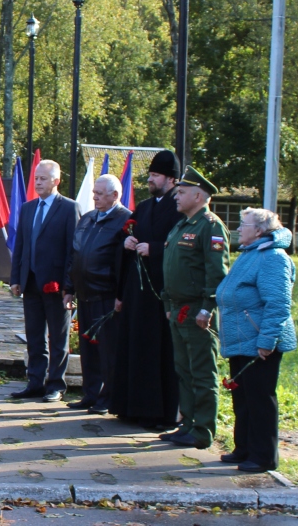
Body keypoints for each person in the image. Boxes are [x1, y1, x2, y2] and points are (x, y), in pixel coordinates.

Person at [216, 208, 296, 473]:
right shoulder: (251, 253)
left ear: (260, 230)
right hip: (242, 338)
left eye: (243, 224)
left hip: (259, 342)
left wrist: (267, 340)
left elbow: (278, 303)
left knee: (260, 399)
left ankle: (263, 457)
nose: (239, 228)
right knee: (242, 397)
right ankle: (244, 448)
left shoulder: (273, 258)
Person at [160, 166, 230, 449]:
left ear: (199, 196)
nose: (177, 196)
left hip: (197, 312)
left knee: (202, 371)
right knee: (184, 370)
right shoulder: (181, 225)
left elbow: (217, 273)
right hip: (178, 309)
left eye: (183, 192)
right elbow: (172, 268)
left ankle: (202, 430)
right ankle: (187, 423)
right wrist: (167, 303)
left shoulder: (210, 226)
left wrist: (208, 308)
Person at [110, 150, 181, 428]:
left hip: (160, 292)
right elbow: (128, 232)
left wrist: (155, 249)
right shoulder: (146, 206)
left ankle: (160, 412)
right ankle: (131, 407)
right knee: (135, 347)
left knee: (158, 351)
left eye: (155, 176)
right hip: (137, 292)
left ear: (171, 179)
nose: (150, 180)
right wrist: (126, 243)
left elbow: (180, 247)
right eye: (150, 175)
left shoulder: (178, 208)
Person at [8, 160, 78, 403]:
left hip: (56, 286)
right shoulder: (28, 208)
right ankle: (35, 382)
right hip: (31, 282)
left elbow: (73, 251)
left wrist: (69, 286)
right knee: (35, 336)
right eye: (36, 178)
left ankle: (55, 385)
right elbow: (21, 247)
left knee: (58, 338)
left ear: (56, 181)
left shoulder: (69, 208)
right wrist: (16, 278)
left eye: (43, 178)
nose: (38, 182)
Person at [64, 174, 132, 414]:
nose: (95, 197)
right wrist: (69, 288)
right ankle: (90, 394)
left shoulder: (126, 220)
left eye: (100, 193)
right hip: (85, 293)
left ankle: (108, 397)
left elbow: (127, 263)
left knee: (107, 351)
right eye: (94, 192)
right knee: (88, 349)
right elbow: (75, 255)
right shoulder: (88, 218)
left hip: (107, 295)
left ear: (115, 195)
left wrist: (121, 294)